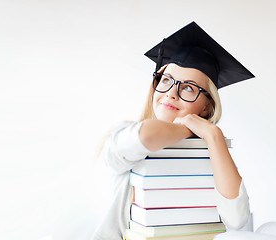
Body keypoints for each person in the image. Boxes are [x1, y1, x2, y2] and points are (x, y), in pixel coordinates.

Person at [91, 21, 255, 240]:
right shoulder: (123, 133)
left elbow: (236, 219)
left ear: (207, 106)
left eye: (188, 87)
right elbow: (147, 136)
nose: (171, 93)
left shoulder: (211, 151)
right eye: (166, 80)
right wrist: (187, 128)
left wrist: (214, 136)